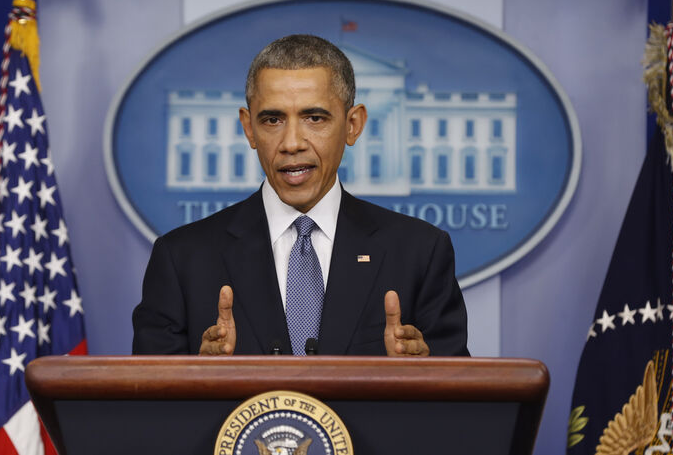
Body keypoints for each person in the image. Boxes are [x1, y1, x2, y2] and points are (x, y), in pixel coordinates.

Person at [132, 34, 468, 356]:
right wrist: (198, 377)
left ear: (353, 124)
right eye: (273, 120)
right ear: (249, 128)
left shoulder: (419, 254)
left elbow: (461, 405)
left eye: (314, 118)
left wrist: (420, 375)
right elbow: (151, 408)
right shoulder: (182, 260)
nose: (292, 143)